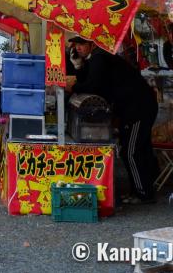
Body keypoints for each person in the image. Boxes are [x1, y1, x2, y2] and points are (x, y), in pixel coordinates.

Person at [65, 36, 158, 204]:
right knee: (138, 149)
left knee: (131, 151)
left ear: (92, 44)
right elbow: (89, 80)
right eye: (76, 44)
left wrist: (73, 87)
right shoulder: (96, 58)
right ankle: (142, 189)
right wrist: (78, 66)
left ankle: (143, 193)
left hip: (138, 108)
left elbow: (93, 86)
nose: (78, 48)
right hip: (133, 107)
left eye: (82, 44)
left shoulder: (99, 58)